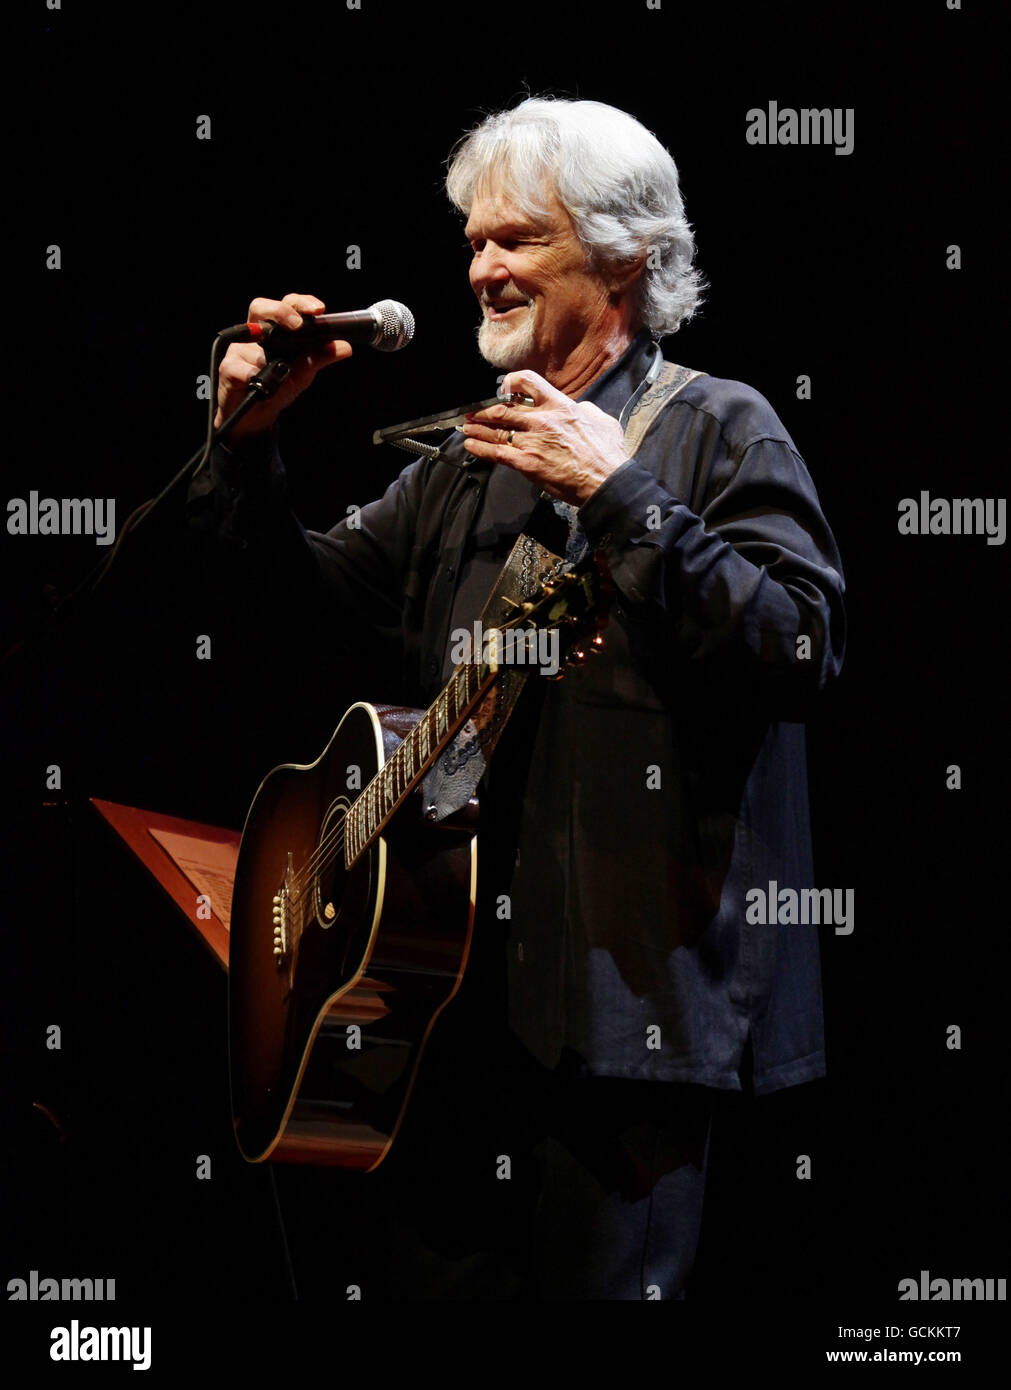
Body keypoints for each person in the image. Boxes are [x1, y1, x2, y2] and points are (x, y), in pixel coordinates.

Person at [188, 96, 846, 1300]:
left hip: (617, 1029)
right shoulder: (467, 459)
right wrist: (248, 452)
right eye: (476, 242)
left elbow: (799, 648)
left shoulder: (717, 428)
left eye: (519, 240)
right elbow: (298, 619)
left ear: (625, 257)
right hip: (442, 1025)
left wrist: (620, 496)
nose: (483, 269)